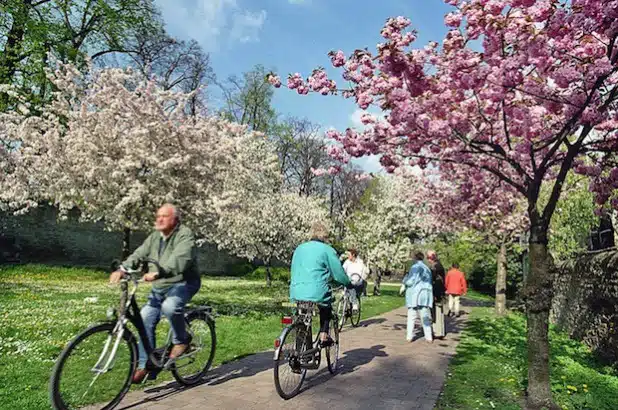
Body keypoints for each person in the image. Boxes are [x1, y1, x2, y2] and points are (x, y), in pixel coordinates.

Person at [109, 204, 201, 384]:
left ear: (175, 220)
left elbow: (181, 259)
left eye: (164, 216)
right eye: (158, 216)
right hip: (160, 285)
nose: (159, 219)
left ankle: (181, 340)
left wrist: (160, 272)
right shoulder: (154, 238)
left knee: (170, 306)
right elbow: (139, 254)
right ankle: (146, 364)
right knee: (144, 317)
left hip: (183, 282)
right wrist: (123, 269)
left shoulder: (185, 235)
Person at [290, 221, 351, 345]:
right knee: (325, 307)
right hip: (317, 291)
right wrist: (348, 283)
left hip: (296, 290)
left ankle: (300, 352)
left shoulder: (299, 248)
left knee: (301, 316)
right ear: (325, 236)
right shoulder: (327, 250)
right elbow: (338, 273)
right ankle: (324, 336)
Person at [400, 250, 433, 343]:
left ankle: (409, 336)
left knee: (412, 315)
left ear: (415, 257)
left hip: (415, 294)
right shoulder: (426, 268)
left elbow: (411, 281)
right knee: (425, 315)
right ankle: (429, 337)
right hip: (425, 293)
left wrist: (404, 281)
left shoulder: (415, 267)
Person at [427, 250, 446, 338]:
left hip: (437, 292)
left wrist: (435, 294)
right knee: (437, 311)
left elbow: (436, 281)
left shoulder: (436, 267)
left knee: (437, 311)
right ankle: (438, 331)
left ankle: (437, 332)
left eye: (429, 258)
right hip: (438, 291)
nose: (428, 260)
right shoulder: (437, 266)